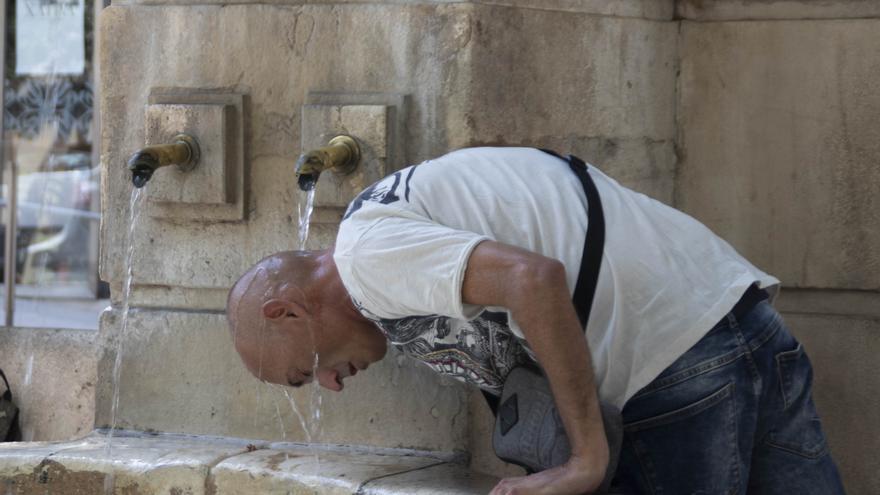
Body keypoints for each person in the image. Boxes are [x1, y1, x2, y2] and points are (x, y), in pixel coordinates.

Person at [226, 147, 844, 494]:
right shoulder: (389, 218)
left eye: (303, 374)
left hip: (672, 361)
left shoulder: (366, 257)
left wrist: (586, 458)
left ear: (285, 310)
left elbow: (534, 280)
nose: (330, 385)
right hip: (741, 319)